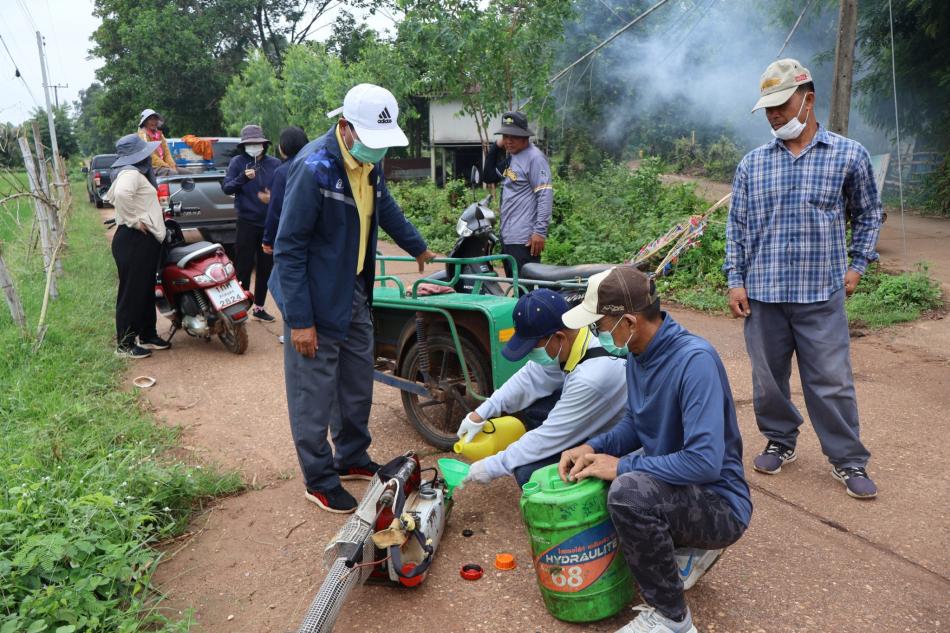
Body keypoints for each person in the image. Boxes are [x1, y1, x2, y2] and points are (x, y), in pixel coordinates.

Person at [558, 266, 751, 633]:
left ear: (628, 321)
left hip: (720, 502)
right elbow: (636, 422)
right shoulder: (638, 352)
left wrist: (623, 466)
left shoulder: (695, 362)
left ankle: (672, 619)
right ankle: (684, 551)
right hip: (679, 489)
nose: (597, 333)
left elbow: (704, 462)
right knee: (598, 475)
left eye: (599, 325)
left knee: (628, 494)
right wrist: (591, 446)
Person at [723, 58, 883, 499]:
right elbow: (737, 227)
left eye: (781, 104)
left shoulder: (849, 155)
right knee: (768, 380)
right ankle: (780, 439)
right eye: (768, 108)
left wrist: (857, 266)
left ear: (807, 100)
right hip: (764, 295)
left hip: (820, 293)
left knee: (831, 381)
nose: (773, 115)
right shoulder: (753, 165)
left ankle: (849, 460)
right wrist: (735, 279)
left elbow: (869, 215)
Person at [271, 83, 435, 513]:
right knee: (313, 391)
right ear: (345, 127)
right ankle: (320, 478)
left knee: (356, 381)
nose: (377, 152)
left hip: (353, 290)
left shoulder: (368, 165)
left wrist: (417, 245)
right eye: (371, 141)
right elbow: (288, 248)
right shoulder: (314, 169)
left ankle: (351, 455)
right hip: (313, 298)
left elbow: (386, 207)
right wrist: (301, 321)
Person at [457, 289, 627, 487]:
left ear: (559, 337)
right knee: (535, 411)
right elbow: (530, 377)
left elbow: (548, 437)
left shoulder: (592, 377)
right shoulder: (575, 334)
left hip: (622, 442)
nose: (531, 355)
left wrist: (491, 466)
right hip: (595, 417)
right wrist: (479, 414)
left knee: (528, 471)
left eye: (533, 348)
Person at [104, 134, 172, 358]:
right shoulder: (130, 173)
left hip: (140, 241)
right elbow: (122, 195)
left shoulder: (133, 173)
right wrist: (135, 220)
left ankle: (147, 334)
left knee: (144, 290)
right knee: (131, 292)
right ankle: (124, 344)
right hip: (134, 239)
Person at [222, 124, 282, 322]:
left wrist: (273, 197)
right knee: (243, 266)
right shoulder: (237, 162)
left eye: (258, 143)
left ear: (264, 144)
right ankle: (241, 307)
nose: (254, 146)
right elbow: (227, 188)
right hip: (246, 222)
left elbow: (284, 190)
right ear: (244, 145)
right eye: (250, 143)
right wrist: (242, 179)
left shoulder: (274, 164)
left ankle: (259, 306)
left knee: (266, 266)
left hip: (269, 224)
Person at [482, 111, 553, 278]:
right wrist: (496, 146)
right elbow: (489, 176)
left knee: (526, 291)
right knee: (516, 289)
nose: (509, 140)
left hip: (525, 240)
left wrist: (540, 232)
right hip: (509, 237)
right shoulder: (513, 158)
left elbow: (544, 196)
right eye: (505, 136)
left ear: (525, 137)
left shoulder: (535, 158)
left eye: (514, 136)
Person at [262, 126, 310, 255]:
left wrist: (268, 239)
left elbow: (276, 208)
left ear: (284, 147)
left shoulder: (283, 171)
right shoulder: (316, 165)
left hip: (291, 236)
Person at [136, 109, 179, 176]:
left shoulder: (160, 134)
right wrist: (166, 166)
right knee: (173, 173)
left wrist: (172, 166)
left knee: (188, 173)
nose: (154, 122)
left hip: (164, 166)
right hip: (151, 167)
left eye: (155, 119)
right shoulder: (142, 135)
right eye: (150, 119)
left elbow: (167, 153)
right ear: (144, 122)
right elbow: (150, 156)